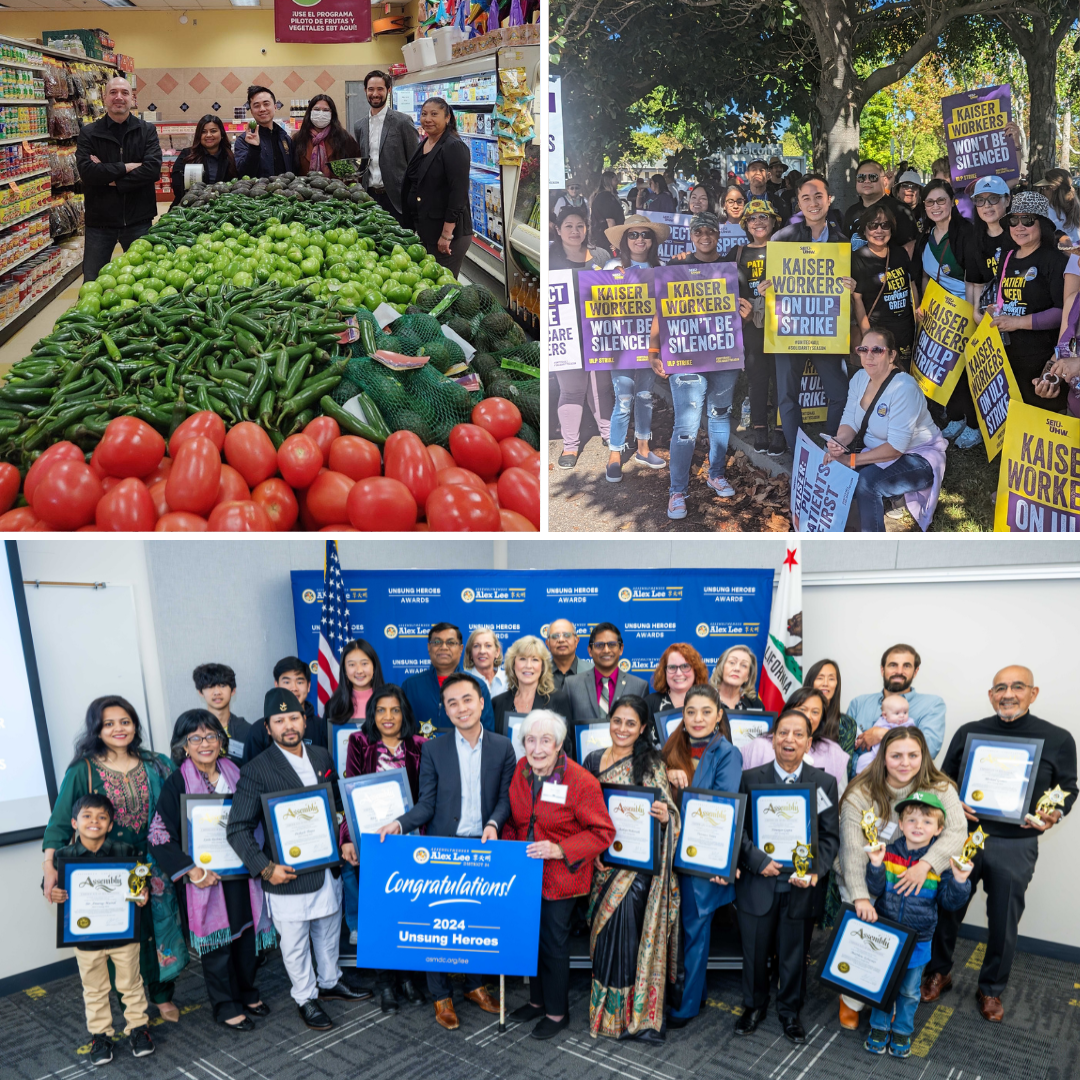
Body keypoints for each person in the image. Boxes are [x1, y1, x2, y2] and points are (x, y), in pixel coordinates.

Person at [925, 666, 1077, 1022]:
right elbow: (942, 779)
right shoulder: (969, 732)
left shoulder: (1058, 738)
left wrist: (1052, 813)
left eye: (1017, 686)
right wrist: (951, 801)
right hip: (963, 838)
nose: (1008, 693)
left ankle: (991, 988)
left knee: (1003, 920)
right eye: (1000, 688)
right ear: (991, 695)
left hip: (1015, 843)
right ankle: (939, 971)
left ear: (1033, 693)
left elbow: (1069, 787)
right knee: (947, 909)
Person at [377, 672, 515, 1029]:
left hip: (483, 846)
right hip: (442, 847)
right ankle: (441, 996)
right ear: (445, 710)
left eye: (467, 699)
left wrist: (494, 824)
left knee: (477, 923)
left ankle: (474, 986)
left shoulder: (503, 746)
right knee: (437, 924)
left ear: (481, 702)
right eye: (452, 703)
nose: (461, 708)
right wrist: (400, 823)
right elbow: (426, 804)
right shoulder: (433, 748)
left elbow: (505, 800)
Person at [226, 688, 368, 1032]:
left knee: (328, 929)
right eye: (280, 721)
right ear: (268, 727)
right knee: (294, 943)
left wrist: (345, 840)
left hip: (326, 868)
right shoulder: (257, 769)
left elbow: (335, 807)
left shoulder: (321, 756)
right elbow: (237, 828)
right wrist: (265, 867)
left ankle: (331, 980)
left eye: (293, 718)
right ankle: (305, 997)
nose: (288, 726)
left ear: (304, 719)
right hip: (286, 874)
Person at [42, 696, 185, 1022]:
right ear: (97, 729)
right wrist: (49, 865)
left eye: (125, 721)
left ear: (134, 725)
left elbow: (183, 800)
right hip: (108, 865)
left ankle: (163, 995)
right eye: (109, 723)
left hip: (151, 861)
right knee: (119, 931)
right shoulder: (85, 768)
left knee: (156, 927)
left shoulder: (156, 763)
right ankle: (130, 1004)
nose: (118, 729)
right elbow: (62, 821)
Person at [834, 727, 966, 1031]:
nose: (904, 762)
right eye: (896, 755)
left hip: (913, 879)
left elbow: (958, 832)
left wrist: (927, 865)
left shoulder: (941, 787)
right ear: (884, 757)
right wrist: (861, 896)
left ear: (924, 756)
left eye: (912, 755)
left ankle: (887, 998)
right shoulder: (861, 792)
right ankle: (851, 999)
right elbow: (853, 851)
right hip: (868, 876)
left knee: (899, 948)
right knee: (864, 937)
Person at [149, 711, 274, 1031]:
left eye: (211, 736)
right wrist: (191, 870)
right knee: (218, 947)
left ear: (222, 740)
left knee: (247, 940)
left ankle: (247, 992)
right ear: (184, 746)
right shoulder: (177, 782)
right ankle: (225, 1005)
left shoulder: (239, 773)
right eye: (195, 738)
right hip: (206, 879)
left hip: (243, 873)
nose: (204, 744)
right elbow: (159, 835)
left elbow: (258, 817)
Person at [503, 709, 616, 1039]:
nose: (537, 749)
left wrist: (560, 849)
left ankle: (557, 1012)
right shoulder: (522, 769)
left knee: (553, 944)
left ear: (559, 744)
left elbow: (602, 832)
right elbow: (517, 819)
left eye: (545, 741)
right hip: (525, 875)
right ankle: (537, 1003)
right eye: (530, 740)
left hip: (560, 879)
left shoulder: (580, 781)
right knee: (530, 940)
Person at [734, 709, 840, 1043]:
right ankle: (753, 1006)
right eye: (783, 733)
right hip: (758, 880)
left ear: (809, 742)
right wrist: (756, 860)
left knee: (794, 953)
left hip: (800, 885)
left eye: (797, 734)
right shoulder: (750, 778)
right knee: (753, 951)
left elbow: (828, 838)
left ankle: (790, 1012)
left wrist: (814, 871)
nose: (789, 740)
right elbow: (739, 831)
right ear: (773, 738)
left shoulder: (823, 783)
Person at [583, 696, 680, 1041]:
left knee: (627, 942)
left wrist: (666, 816)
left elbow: (669, 811)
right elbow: (583, 812)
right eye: (617, 721)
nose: (622, 729)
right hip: (602, 865)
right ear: (609, 722)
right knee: (604, 942)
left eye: (630, 723)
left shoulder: (651, 763)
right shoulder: (593, 760)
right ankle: (605, 1015)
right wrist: (590, 848)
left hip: (636, 873)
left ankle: (633, 1018)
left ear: (642, 728)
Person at [46, 793, 155, 1065]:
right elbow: (52, 889)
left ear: (110, 823)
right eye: (87, 816)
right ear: (74, 822)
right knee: (94, 988)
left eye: (101, 817)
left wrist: (142, 894)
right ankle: (101, 1034)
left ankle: (138, 1029)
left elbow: (140, 886)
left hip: (123, 935)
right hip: (86, 939)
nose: (94, 821)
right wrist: (56, 894)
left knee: (131, 983)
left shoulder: (126, 851)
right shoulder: (63, 856)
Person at [861, 792, 972, 1058]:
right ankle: (879, 1026)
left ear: (939, 829)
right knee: (883, 985)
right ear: (900, 824)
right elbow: (875, 888)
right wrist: (876, 865)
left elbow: (949, 902)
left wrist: (959, 881)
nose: (918, 826)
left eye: (926, 822)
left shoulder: (940, 864)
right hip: (886, 937)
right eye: (911, 820)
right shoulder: (888, 853)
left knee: (910, 991)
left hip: (919, 939)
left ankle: (901, 1031)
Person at [647, 211, 742, 518]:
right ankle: (677, 491)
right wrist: (653, 349)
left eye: (710, 231)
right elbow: (661, 312)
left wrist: (747, 311)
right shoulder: (676, 266)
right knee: (686, 426)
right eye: (698, 230)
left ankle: (715, 473)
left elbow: (742, 309)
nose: (704, 236)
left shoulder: (729, 268)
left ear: (718, 235)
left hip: (723, 354)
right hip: (686, 355)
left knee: (719, 415)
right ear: (691, 235)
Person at [341, 685, 427, 1013]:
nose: (388, 717)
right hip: (372, 843)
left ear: (404, 714)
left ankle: (407, 978)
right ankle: (386, 984)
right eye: (381, 710)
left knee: (406, 912)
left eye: (394, 710)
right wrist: (347, 837)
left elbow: (425, 799)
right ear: (372, 714)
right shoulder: (360, 743)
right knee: (377, 915)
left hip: (409, 842)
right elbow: (350, 792)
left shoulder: (420, 746)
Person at [661, 685, 744, 1027]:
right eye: (691, 711)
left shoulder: (727, 753)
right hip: (668, 855)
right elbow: (650, 781)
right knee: (674, 931)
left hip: (701, 858)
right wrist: (665, 774)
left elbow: (723, 809)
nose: (697, 719)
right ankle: (693, 991)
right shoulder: (670, 747)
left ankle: (687, 1006)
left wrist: (719, 862)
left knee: (695, 932)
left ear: (719, 715)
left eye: (706, 712)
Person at [823, 328, 947, 532]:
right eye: (863, 349)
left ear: (891, 355)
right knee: (834, 467)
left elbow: (896, 449)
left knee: (867, 483)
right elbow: (850, 422)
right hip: (880, 453)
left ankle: (873, 547)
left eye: (877, 350)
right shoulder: (859, 378)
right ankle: (835, 528)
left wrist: (851, 460)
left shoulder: (903, 388)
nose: (868, 355)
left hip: (918, 458)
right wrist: (838, 443)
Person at [769, 175, 854, 451]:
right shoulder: (782, 239)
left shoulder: (842, 242)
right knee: (787, 395)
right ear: (798, 203)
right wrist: (764, 288)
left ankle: (832, 447)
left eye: (819, 196)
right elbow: (770, 285)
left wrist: (851, 286)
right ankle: (798, 453)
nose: (813, 202)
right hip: (789, 329)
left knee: (839, 393)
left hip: (825, 328)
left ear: (829, 200)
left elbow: (848, 287)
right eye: (806, 197)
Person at [74, 76, 162, 282]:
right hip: (100, 222)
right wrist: (126, 167)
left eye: (124, 93)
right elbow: (87, 172)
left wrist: (112, 179)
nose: (118, 97)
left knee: (143, 280)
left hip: (139, 218)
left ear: (132, 98)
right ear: (105, 98)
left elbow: (152, 170)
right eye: (113, 92)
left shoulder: (146, 130)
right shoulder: (89, 133)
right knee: (93, 280)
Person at [989, 191, 1069, 410]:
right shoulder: (1006, 257)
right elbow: (1004, 298)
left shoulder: (1054, 260)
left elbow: (1064, 312)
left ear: (1041, 223)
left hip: (1043, 356)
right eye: (1013, 220)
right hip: (1009, 354)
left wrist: (1017, 322)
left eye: (1027, 220)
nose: (1019, 226)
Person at [551, 206, 616, 470]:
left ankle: (610, 435)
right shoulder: (550, 259)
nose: (575, 231)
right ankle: (570, 445)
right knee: (572, 390)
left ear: (587, 228)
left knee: (601, 387)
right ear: (558, 229)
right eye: (568, 226)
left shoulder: (601, 255)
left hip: (599, 333)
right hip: (567, 336)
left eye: (580, 225)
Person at [730, 199, 785, 455]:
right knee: (757, 377)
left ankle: (781, 430)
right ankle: (760, 428)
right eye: (753, 218)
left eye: (764, 216)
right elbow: (713, 276)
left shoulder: (786, 249)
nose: (759, 222)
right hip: (751, 325)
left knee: (783, 377)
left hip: (783, 323)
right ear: (746, 225)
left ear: (774, 221)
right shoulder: (738, 253)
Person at [401, 97, 473, 278]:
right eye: (424, 114)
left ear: (447, 117)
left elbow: (458, 194)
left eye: (434, 114)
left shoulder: (453, 146)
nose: (428, 119)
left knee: (443, 285)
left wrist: (446, 234)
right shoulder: (425, 142)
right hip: (427, 228)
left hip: (448, 234)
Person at [846, 643, 946, 760]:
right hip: (859, 777)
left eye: (907, 666)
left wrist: (882, 734)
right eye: (893, 665)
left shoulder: (932, 705)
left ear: (915, 671)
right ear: (882, 670)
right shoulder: (858, 703)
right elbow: (843, 751)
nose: (899, 671)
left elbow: (929, 750)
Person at [740, 687, 849, 790]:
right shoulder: (760, 745)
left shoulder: (834, 752)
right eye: (802, 709)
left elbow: (838, 800)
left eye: (815, 712)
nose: (808, 716)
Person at [851, 204, 919, 368]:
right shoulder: (858, 259)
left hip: (906, 332)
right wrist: (868, 336)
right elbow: (857, 301)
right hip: (879, 334)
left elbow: (912, 285)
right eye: (873, 225)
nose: (879, 231)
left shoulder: (900, 253)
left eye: (885, 225)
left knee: (905, 379)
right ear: (865, 230)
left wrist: (918, 321)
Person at [402, 623, 494, 734]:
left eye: (450, 642)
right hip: (420, 751)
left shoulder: (478, 685)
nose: (444, 647)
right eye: (437, 642)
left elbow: (488, 733)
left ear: (461, 649)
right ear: (429, 648)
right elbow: (402, 730)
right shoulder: (410, 686)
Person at [354, 70, 418, 222]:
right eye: (371, 89)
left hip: (397, 200)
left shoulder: (402, 122)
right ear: (365, 91)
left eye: (380, 89)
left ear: (388, 90)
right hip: (368, 198)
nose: (375, 94)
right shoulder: (359, 126)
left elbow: (415, 163)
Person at [242, 656, 326, 762]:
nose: (294, 688)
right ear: (276, 685)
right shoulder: (259, 730)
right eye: (287, 682)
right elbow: (250, 772)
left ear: (308, 686)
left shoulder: (322, 726)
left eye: (299, 682)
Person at [564, 623, 649, 723]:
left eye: (612, 644)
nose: (606, 650)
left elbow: (643, 730)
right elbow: (564, 729)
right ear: (590, 651)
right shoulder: (571, 685)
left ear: (621, 649)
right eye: (599, 645)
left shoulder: (639, 687)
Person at [491, 635, 570, 740]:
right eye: (522, 659)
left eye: (535, 660)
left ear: (542, 667)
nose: (528, 665)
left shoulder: (558, 699)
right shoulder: (498, 702)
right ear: (513, 664)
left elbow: (567, 746)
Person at [844, 159, 918, 252]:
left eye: (873, 177)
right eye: (861, 177)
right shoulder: (851, 211)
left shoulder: (900, 210)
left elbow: (910, 246)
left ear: (885, 181)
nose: (866, 181)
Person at [170, 115, 236, 206]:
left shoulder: (230, 157)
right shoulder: (187, 154)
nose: (208, 135)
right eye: (203, 132)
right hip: (189, 207)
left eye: (213, 131)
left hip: (222, 208)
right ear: (198, 135)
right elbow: (177, 185)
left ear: (222, 134)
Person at [193, 662, 250, 764]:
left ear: (233, 691)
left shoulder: (247, 731)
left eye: (222, 685)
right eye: (210, 686)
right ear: (200, 693)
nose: (217, 692)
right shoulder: (190, 730)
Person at [293, 95, 361, 178]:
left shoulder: (344, 138)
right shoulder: (298, 139)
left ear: (332, 114)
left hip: (337, 189)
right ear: (310, 112)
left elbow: (355, 168)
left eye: (326, 110)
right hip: (305, 189)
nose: (321, 113)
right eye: (317, 109)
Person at [234, 85, 294, 179]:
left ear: (275, 107)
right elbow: (244, 175)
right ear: (252, 111)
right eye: (256, 106)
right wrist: (254, 148)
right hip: (257, 192)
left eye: (266, 104)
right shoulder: (243, 141)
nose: (262, 109)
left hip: (284, 192)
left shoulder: (285, 138)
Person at [854, 693, 915, 774]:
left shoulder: (908, 723)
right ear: (885, 715)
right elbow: (869, 735)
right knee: (863, 759)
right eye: (897, 713)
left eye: (905, 712)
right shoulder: (881, 722)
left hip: (897, 757)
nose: (902, 716)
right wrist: (859, 741)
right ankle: (860, 777)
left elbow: (912, 736)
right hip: (876, 755)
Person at [645, 642, 709, 716]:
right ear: (664, 671)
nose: (678, 673)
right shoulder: (650, 703)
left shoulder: (710, 701)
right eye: (672, 667)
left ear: (695, 670)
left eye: (685, 666)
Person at [708, 644, 764, 712]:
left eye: (743, 665)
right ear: (721, 668)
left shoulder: (755, 704)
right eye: (732, 662)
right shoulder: (703, 697)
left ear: (748, 676)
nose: (737, 669)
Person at [546, 619, 593, 691]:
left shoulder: (593, 671)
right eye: (555, 636)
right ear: (548, 644)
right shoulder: (539, 673)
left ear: (576, 641)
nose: (561, 640)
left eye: (567, 635)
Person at [1036, 167, 1080, 243]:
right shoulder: (1076, 207)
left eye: (1044, 188)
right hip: (1075, 252)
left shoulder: (1045, 211)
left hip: (1057, 252)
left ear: (1052, 188)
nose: (1042, 191)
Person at [464, 627, 507, 696]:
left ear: (497, 652)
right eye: (476, 646)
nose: (482, 651)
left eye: (488, 645)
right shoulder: (461, 681)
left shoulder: (510, 680)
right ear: (470, 653)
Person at [589, 170, 625, 250]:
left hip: (601, 234)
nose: (618, 182)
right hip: (606, 237)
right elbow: (610, 220)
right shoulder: (606, 197)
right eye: (615, 180)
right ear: (609, 181)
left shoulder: (600, 195)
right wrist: (614, 240)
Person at [894, 169, 926, 233]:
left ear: (919, 192)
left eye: (914, 186)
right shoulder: (890, 212)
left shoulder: (927, 212)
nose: (909, 189)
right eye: (905, 185)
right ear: (897, 192)